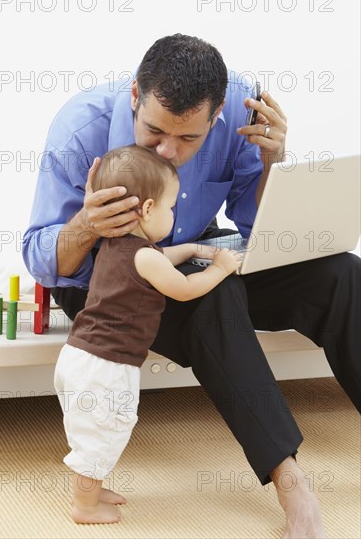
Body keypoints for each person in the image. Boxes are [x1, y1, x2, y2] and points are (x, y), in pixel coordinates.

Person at [23, 34, 360, 538]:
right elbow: (40, 259)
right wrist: (88, 225)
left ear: (217, 112)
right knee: (216, 296)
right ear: (135, 94)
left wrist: (273, 164)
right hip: (104, 281)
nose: (169, 153)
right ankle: (291, 482)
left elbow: (253, 226)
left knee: (343, 274)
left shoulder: (243, 106)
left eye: (189, 140)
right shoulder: (81, 128)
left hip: (195, 253)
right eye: (154, 133)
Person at [54, 144, 242, 524]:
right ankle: (84, 506)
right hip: (106, 365)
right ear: (149, 210)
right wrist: (220, 268)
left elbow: (156, 258)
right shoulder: (145, 257)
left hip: (82, 356)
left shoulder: (119, 245)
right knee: (105, 428)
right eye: (171, 207)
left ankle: (92, 486)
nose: (174, 214)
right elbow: (183, 289)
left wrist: (189, 247)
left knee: (92, 428)